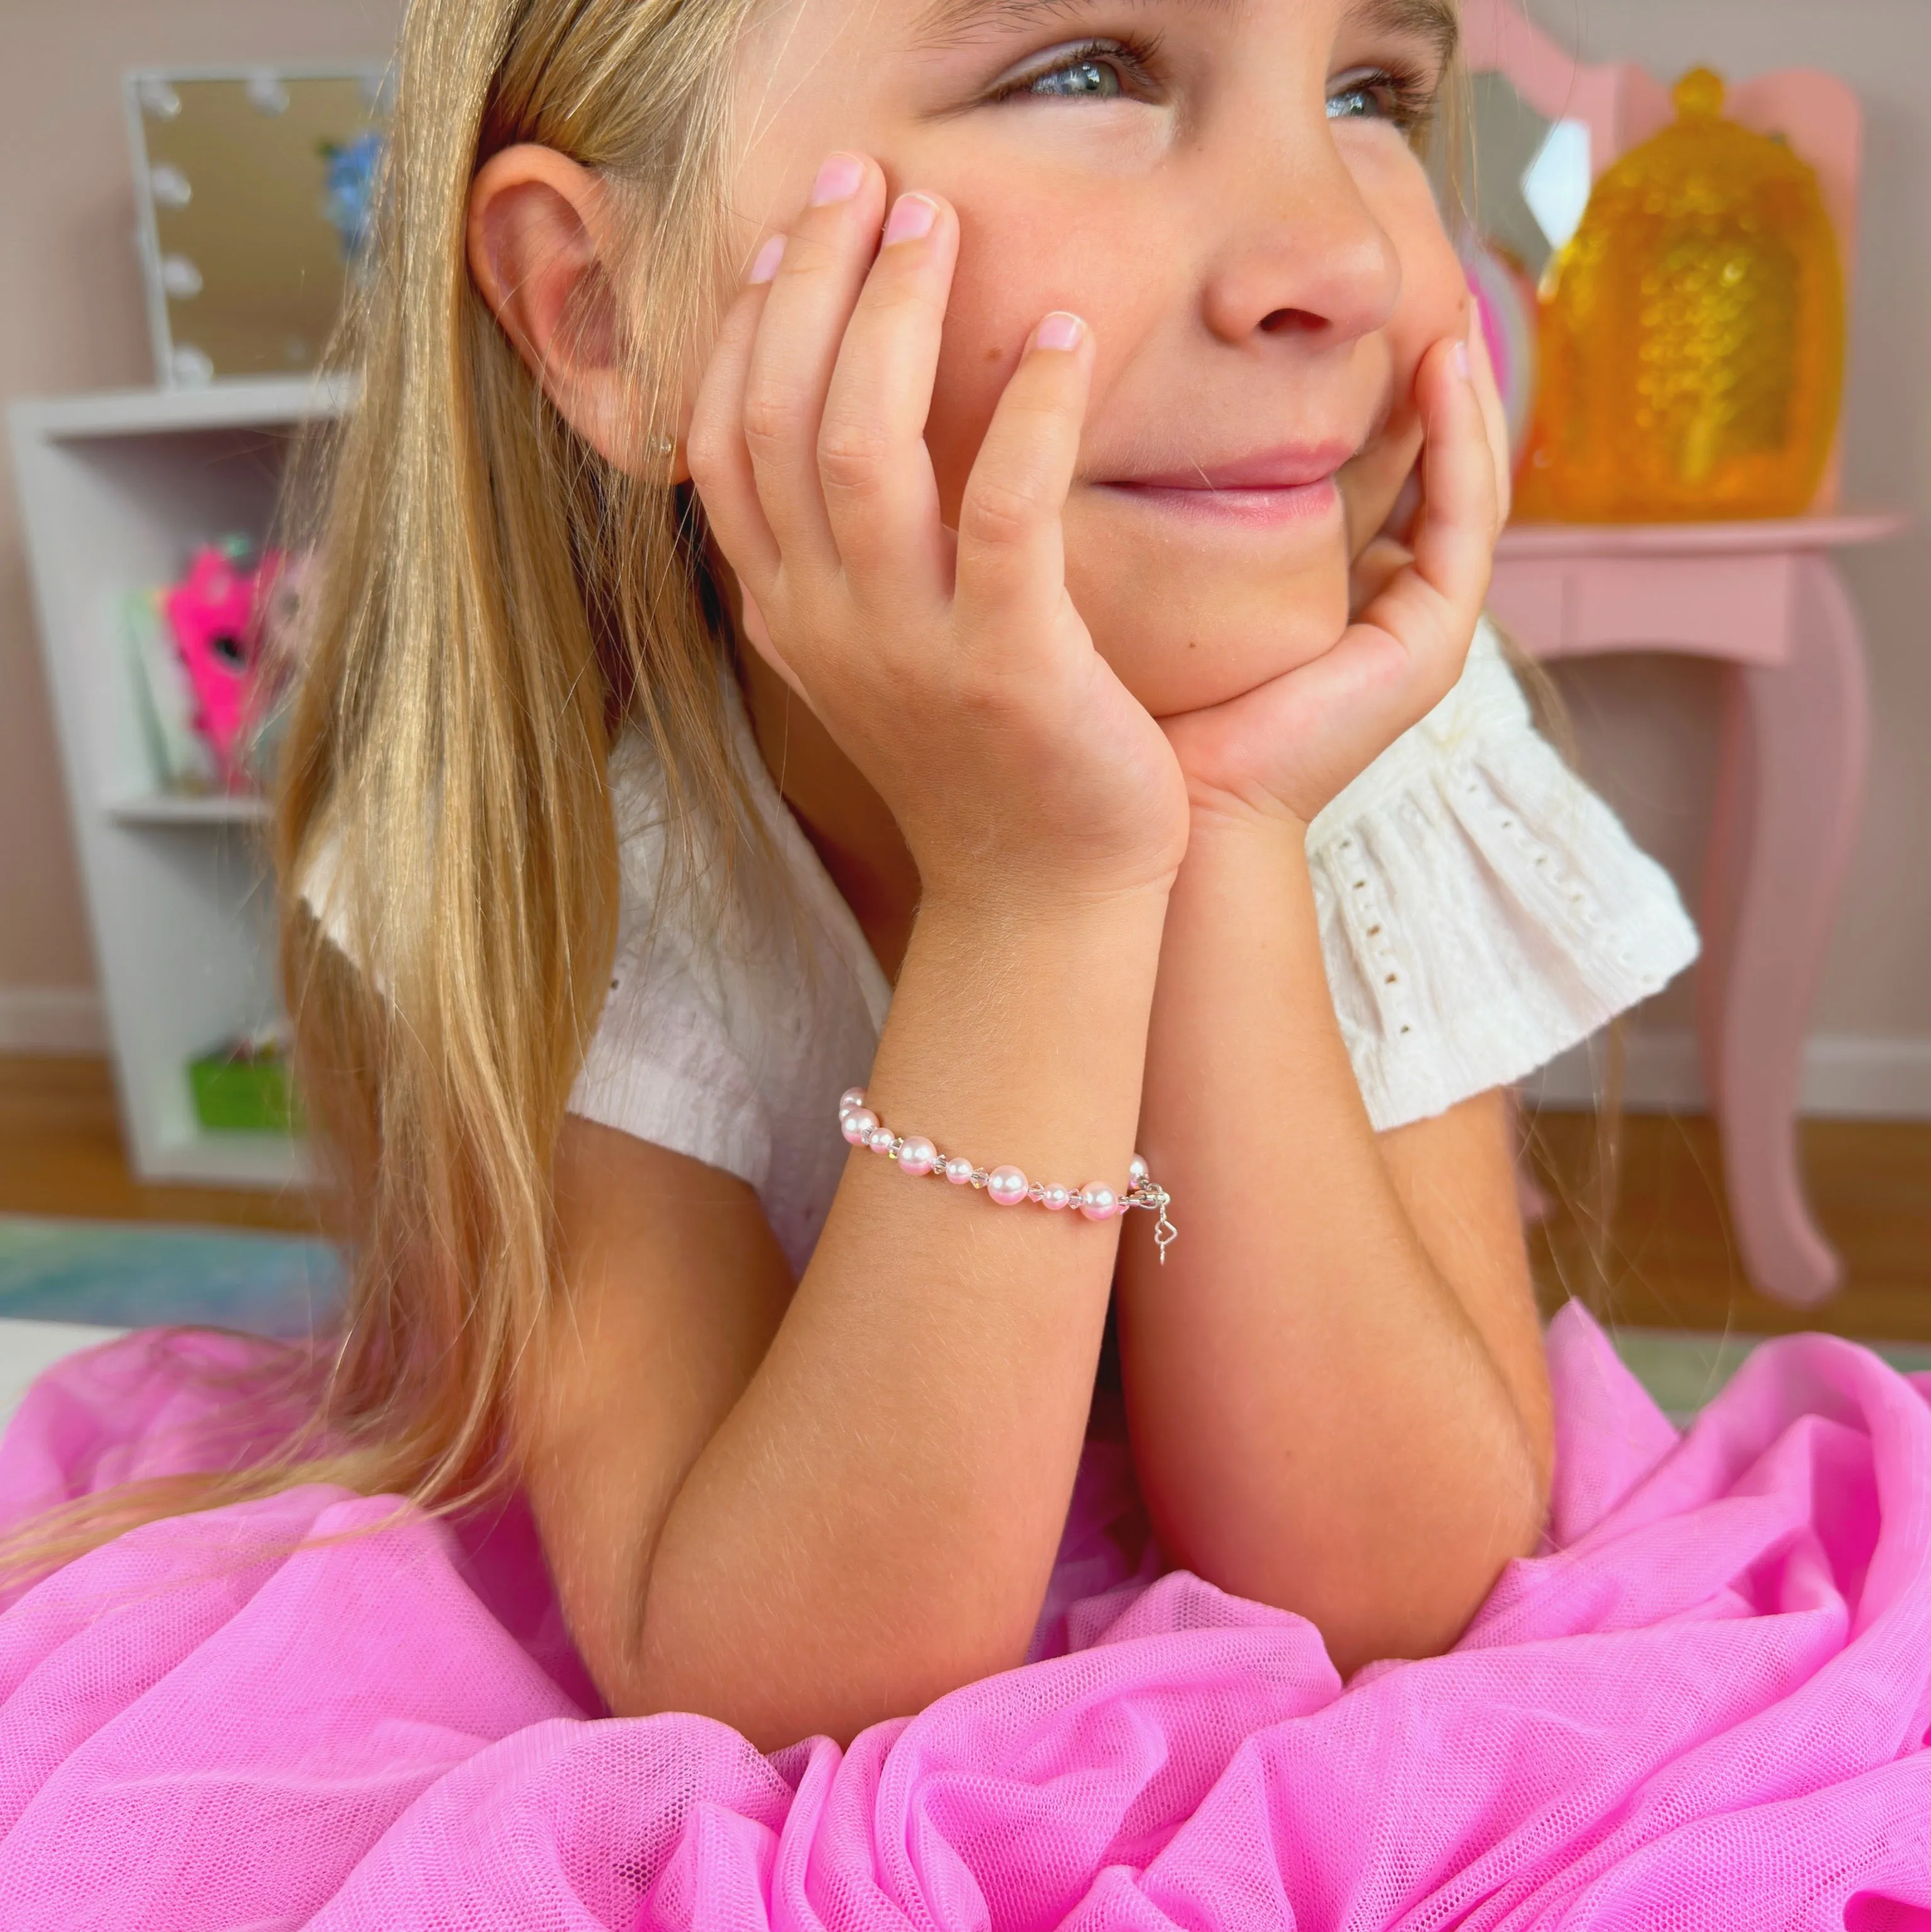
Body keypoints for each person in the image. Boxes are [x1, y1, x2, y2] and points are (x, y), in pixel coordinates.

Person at [38, 0, 1701, 1757]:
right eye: (1083, 73)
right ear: (612, 313)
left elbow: (1393, 1592)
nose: (1339, 264)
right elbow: (786, 1682)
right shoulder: (582, 844)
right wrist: (1035, 893)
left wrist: (1225, 831)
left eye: (1373, 92)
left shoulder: (1388, 732)